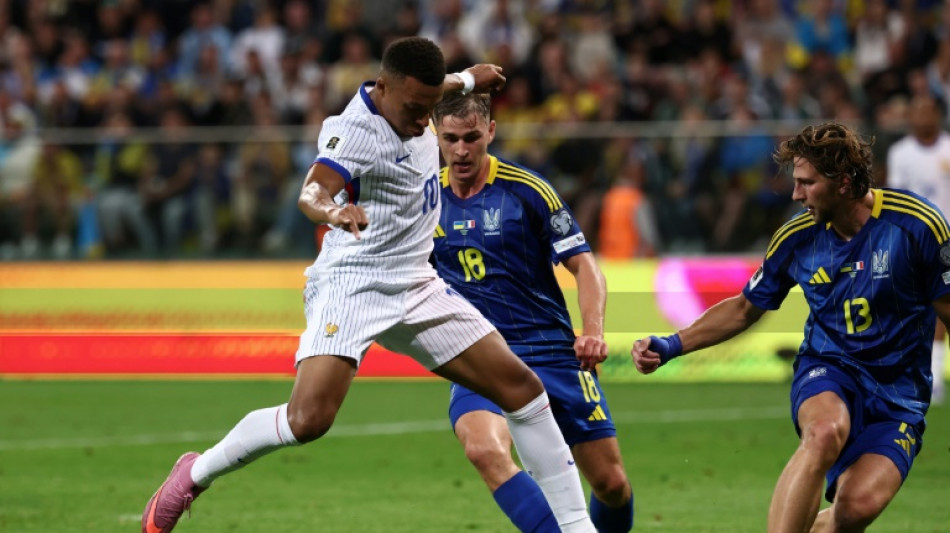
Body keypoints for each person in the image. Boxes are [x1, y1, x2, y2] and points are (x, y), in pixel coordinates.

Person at [141, 37, 597, 533]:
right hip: (354, 283)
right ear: (382, 88)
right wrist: (333, 209)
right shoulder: (355, 131)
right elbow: (312, 189)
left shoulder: (410, 94)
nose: (424, 120)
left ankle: (577, 529)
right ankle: (195, 473)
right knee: (307, 420)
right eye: (416, 110)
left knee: (523, 391)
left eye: (430, 108)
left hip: (417, 282)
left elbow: (433, 88)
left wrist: (466, 79)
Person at [632, 122, 950, 532]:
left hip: (899, 394)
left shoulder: (917, 226)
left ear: (844, 183)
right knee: (824, 432)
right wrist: (671, 345)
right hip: (829, 369)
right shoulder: (797, 236)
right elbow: (746, 308)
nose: (796, 194)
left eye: (807, 183)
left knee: (854, 510)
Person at [431, 92, 634, 532]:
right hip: (480, 355)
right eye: (450, 138)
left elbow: (584, 265)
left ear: (491, 131)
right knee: (484, 450)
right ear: (436, 135)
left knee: (611, 484)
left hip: (553, 351)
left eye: (471, 137)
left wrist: (593, 330)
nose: (461, 150)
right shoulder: (423, 199)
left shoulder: (527, 190)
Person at [886, 93, 950, 405]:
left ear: (939, 114)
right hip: (913, 240)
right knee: (911, 306)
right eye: (918, 111)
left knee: (943, 303)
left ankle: (935, 376)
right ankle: (911, 374)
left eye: (929, 110)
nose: (924, 117)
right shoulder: (901, 153)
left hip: (948, 240)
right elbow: (899, 198)